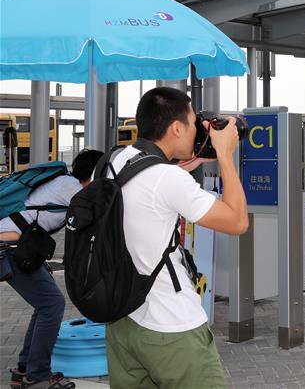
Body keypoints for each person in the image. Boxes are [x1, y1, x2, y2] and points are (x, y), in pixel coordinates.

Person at [103, 87, 248, 389]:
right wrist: (224, 154)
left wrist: (182, 162)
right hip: (171, 327)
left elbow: (147, 190)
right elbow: (237, 221)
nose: (198, 129)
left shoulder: (113, 161)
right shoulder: (169, 179)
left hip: (122, 322)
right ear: (177, 128)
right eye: (194, 123)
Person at [1, 148, 104, 389]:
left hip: (15, 247)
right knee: (52, 304)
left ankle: (25, 370)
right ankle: (37, 376)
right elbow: (100, 215)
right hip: (9, 248)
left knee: (46, 305)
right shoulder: (72, 188)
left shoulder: (66, 184)